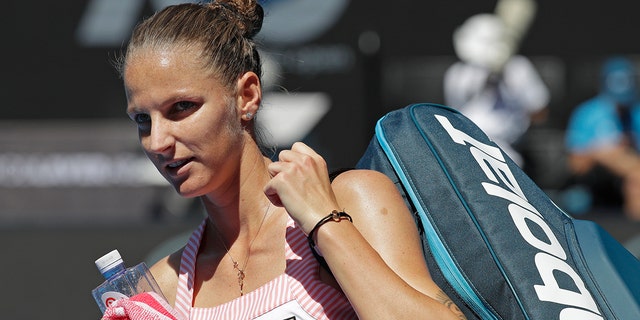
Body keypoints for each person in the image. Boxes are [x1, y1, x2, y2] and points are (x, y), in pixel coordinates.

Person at [106, 1, 466, 319]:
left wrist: (326, 224)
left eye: (181, 107)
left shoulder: (352, 199)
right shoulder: (163, 289)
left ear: (246, 95)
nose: (157, 141)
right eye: (142, 120)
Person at [443, 13, 550, 167]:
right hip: (463, 145)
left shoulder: (518, 68)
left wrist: (512, 88)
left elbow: (540, 112)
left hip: (508, 149)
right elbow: (454, 112)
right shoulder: (457, 73)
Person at [565, 56, 640, 220]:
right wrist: (601, 153)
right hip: (593, 181)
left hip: (629, 179)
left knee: (637, 180)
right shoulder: (587, 114)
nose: (621, 107)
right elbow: (575, 165)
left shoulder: (636, 113)